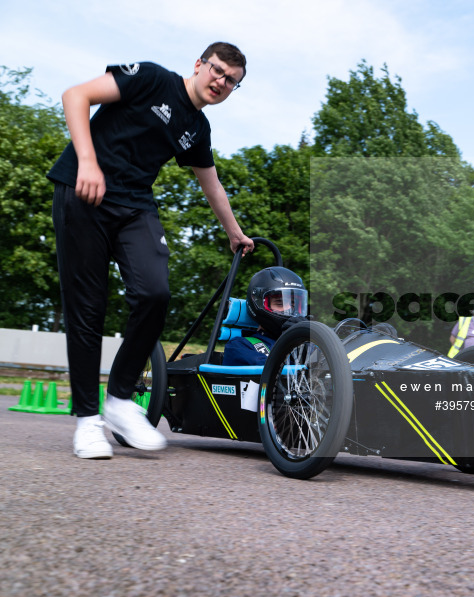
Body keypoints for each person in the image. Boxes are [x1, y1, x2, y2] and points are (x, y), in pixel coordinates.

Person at [49, 43, 254, 459]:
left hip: (134, 205)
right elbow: (76, 96)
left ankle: (120, 400)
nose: (221, 82)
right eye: (217, 71)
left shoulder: (197, 129)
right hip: (82, 190)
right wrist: (87, 160)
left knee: (155, 292)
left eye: (231, 81)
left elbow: (211, 184)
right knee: (88, 309)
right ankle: (88, 421)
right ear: (199, 65)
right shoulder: (152, 78)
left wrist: (234, 233)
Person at [223, 268, 308, 366]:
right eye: (280, 303)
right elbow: (271, 375)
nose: (290, 309)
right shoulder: (239, 346)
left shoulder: (307, 344)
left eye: (293, 304)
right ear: (259, 303)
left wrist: (305, 342)